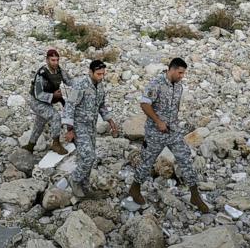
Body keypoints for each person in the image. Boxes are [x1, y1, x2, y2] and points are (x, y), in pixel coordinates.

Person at [128, 58, 210, 212]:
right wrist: (158, 121)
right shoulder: (156, 84)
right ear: (171, 70)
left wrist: (174, 121)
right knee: (146, 163)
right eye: (180, 72)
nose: (181, 76)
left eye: (183, 73)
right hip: (155, 133)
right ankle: (134, 188)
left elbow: (176, 104)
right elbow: (144, 104)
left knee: (185, 159)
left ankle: (195, 195)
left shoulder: (179, 86)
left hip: (173, 132)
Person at [62, 59, 119, 198]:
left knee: (87, 158)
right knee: (89, 156)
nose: (101, 77)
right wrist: (69, 129)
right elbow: (70, 106)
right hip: (79, 126)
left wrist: (110, 120)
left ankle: (85, 185)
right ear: (90, 72)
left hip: (91, 127)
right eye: (98, 74)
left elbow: (101, 105)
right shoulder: (80, 85)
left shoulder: (100, 86)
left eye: (103, 74)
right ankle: (74, 179)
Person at [25, 49, 70, 155]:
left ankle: (30, 146)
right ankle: (55, 143)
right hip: (36, 102)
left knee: (40, 123)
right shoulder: (42, 74)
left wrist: (82, 83)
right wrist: (53, 95)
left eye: (57, 60)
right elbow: (38, 94)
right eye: (52, 60)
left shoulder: (59, 71)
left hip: (46, 102)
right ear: (47, 60)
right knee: (55, 117)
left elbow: (69, 81)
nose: (55, 63)